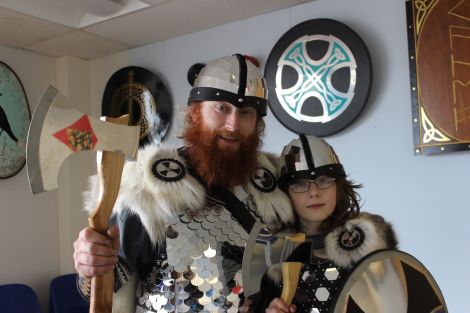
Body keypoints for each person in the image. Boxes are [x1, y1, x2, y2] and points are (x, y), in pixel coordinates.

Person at [72, 54, 295, 313]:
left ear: (257, 123)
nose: (233, 125)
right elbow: (110, 282)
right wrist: (90, 265)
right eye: (222, 108)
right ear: (196, 112)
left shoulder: (271, 185)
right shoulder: (149, 183)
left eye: (245, 112)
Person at [249, 134, 398, 313]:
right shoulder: (270, 253)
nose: (314, 192)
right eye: (300, 184)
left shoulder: (369, 239)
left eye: (324, 180)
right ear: (285, 193)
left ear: (339, 185)